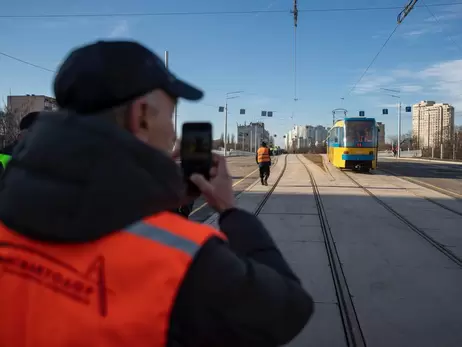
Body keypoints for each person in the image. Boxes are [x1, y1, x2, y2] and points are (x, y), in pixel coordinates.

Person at [0, 40, 313, 347]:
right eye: (169, 115)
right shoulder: (183, 258)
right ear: (142, 115)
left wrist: (158, 192)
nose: (173, 132)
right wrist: (229, 211)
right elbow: (287, 310)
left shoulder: (9, 207)